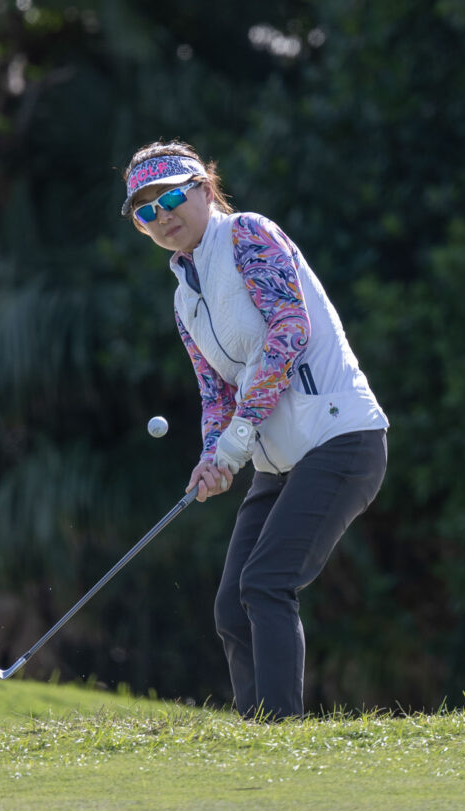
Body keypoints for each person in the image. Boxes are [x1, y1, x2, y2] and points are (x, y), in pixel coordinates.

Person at [120, 140, 389, 720]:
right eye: (146, 211)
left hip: (340, 439)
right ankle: (257, 737)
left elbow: (289, 331)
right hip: (278, 458)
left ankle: (282, 736)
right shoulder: (183, 297)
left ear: (203, 189)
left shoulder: (247, 234)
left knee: (266, 583)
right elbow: (215, 391)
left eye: (170, 199)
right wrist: (212, 455)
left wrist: (237, 442)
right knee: (232, 607)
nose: (162, 217)